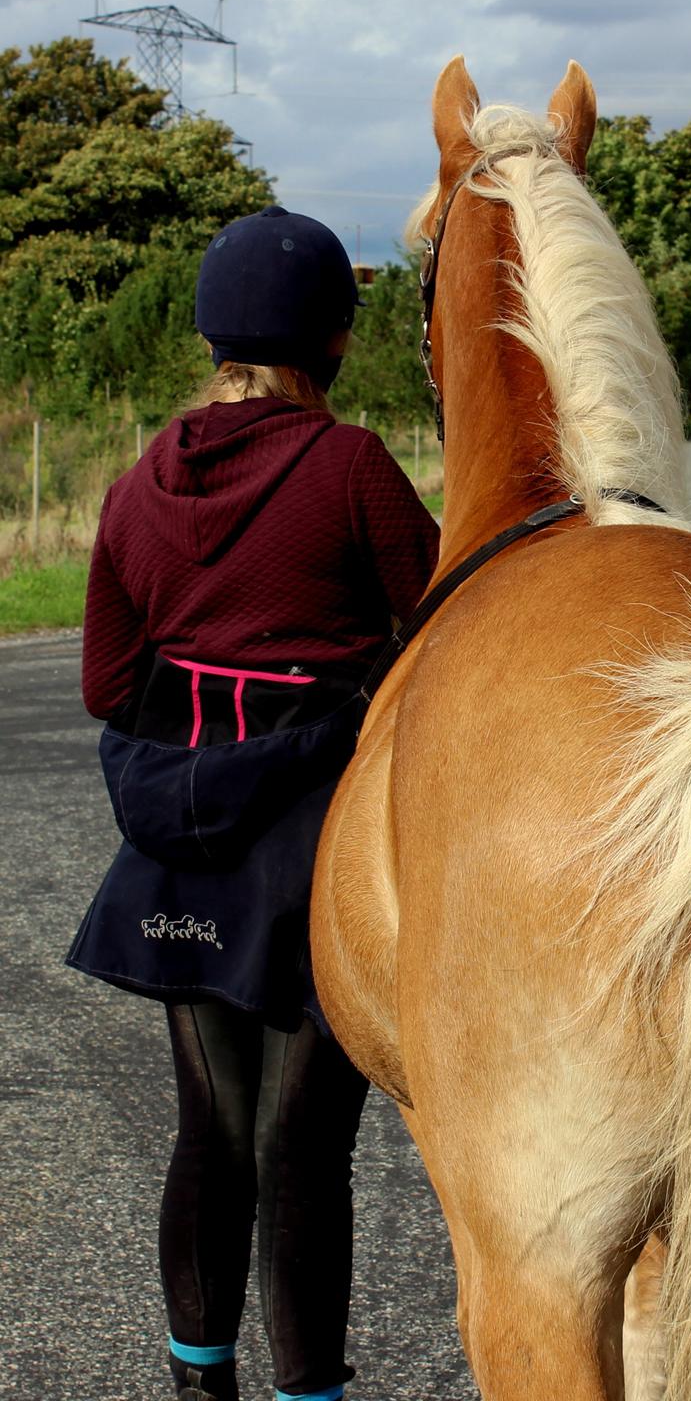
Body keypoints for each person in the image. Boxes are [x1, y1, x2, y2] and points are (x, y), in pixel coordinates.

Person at [67, 206, 440, 1401]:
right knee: (304, 1151)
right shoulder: (351, 467)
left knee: (213, 1132)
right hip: (315, 848)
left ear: (209, 337)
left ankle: (199, 1385)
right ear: (334, 340)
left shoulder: (136, 487)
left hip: (183, 845)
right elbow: (443, 628)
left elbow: (107, 687)